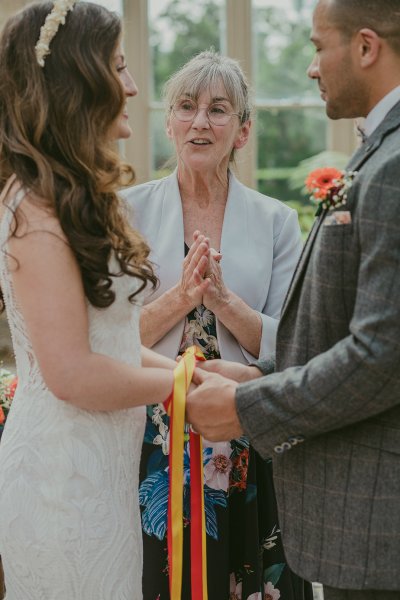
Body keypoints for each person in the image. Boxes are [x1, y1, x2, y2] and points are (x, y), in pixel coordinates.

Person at [186, 1, 400, 599]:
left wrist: (251, 403)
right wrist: (265, 368)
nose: (310, 68)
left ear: (365, 47)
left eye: (316, 46)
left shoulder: (396, 163)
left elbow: (382, 354)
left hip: (379, 520)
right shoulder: (381, 151)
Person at [0, 2, 179, 598]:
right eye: (119, 68)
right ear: (81, 82)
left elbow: (112, 343)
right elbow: (73, 373)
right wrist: (185, 390)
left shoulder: (67, 197)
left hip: (98, 471)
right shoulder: (32, 210)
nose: (131, 86)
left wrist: (194, 371)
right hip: (61, 481)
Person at [123, 50, 313, 600]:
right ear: (168, 122)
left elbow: (292, 342)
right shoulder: (125, 212)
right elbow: (106, 337)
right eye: (187, 106)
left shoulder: (277, 221)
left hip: (244, 430)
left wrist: (225, 303)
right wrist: (182, 297)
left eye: (218, 109)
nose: (200, 121)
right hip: (150, 439)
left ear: (244, 131)